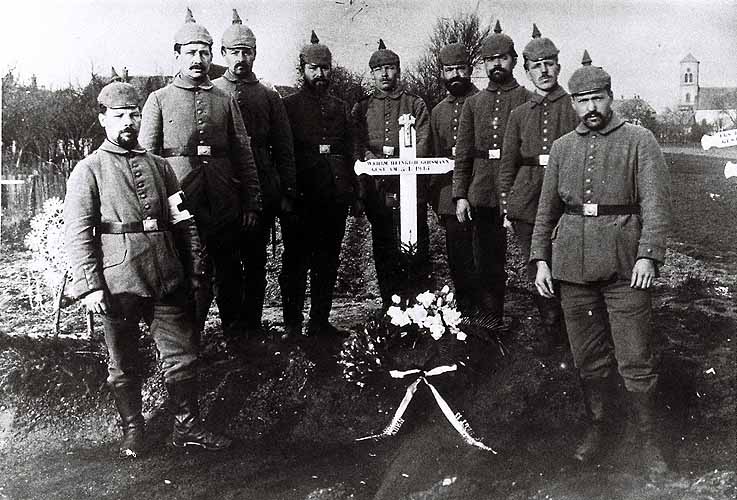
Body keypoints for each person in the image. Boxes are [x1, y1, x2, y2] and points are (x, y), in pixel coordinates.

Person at [64, 82, 232, 458]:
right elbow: (77, 232)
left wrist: (193, 269)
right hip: (118, 280)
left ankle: (187, 427)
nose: (128, 122)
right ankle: (133, 430)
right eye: (119, 116)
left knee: (183, 354)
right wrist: (90, 287)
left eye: (134, 115)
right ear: (102, 119)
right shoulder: (89, 169)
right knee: (123, 361)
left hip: (167, 275)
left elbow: (183, 221)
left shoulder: (160, 167)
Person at [530, 51, 671, 473]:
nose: (591, 108)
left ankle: (648, 441)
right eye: (582, 100)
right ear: (572, 103)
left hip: (625, 265)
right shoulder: (561, 148)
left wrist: (649, 255)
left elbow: (656, 204)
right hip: (572, 266)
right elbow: (546, 210)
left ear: (611, 98)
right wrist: (540, 259)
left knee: (635, 357)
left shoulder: (639, 140)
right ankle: (598, 428)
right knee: (588, 357)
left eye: (598, 99)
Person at [139, 8, 262, 342]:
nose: (198, 59)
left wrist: (250, 201)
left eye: (204, 52)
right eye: (191, 52)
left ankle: (235, 342)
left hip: (223, 202)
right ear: (177, 56)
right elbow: (145, 162)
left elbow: (244, 154)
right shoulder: (158, 100)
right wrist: (154, 210)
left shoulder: (224, 100)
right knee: (189, 274)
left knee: (229, 273)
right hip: (180, 205)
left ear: (211, 56)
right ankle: (186, 344)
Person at [213, 9, 297, 338]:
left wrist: (286, 190)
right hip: (222, 187)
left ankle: (252, 326)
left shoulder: (268, 94)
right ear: (223, 53)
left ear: (255, 54)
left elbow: (284, 147)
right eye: (234, 51)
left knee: (255, 261)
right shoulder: (213, 91)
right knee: (225, 264)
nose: (241, 58)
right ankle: (230, 328)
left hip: (260, 186)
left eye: (247, 51)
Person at [497, 24, 578, 353]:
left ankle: (575, 331)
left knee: (567, 263)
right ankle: (550, 329)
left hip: (565, 196)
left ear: (558, 65)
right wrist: (507, 206)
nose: (544, 70)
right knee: (538, 263)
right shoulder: (519, 114)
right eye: (536, 65)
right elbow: (507, 164)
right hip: (528, 198)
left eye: (549, 63)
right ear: (527, 71)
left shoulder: (573, 107)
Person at [280, 31, 360, 337]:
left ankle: (320, 322)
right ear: (303, 69)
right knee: (296, 262)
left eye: (325, 67)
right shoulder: (288, 106)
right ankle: (291, 325)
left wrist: (352, 193)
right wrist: (286, 194)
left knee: (327, 261)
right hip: (301, 196)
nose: (320, 74)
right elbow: (283, 152)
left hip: (333, 195)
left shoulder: (340, 106)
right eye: (314, 68)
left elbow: (350, 150)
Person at [452, 21, 533, 321]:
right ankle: (491, 319)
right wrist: (461, 194)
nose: (496, 64)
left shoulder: (527, 99)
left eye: (502, 58)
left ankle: (551, 325)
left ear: (513, 60)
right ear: (483, 64)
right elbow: (463, 154)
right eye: (490, 60)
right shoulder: (474, 103)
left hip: (520, 188)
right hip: (483, 189)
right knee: (486, 258)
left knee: (533, 255)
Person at [352, 39, 431, 308]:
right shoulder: (361, 107)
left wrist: (402, 164)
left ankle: (420, 309)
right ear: (372, 74)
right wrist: (372, 162)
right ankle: (391, 308)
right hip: (378, 189)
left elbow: (423, 140)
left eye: (390, 68)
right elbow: (356, 142)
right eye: (379, 70)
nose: (385, 74)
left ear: (398, 71)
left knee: (415, 247)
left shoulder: (415, 103)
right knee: (384, 248)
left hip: (410, 187)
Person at [428, 41, 480, 315]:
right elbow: (435, 158)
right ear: (442, 74)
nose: (456, 75)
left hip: (481, 188)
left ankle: (488, 317)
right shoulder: (438, 112)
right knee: (458, 258)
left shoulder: (483, 102)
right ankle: (466, 313)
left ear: (470, 70)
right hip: (450, 194)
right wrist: (438, 201)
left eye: (461, 68)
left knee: (483, 257)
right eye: (450, 70)